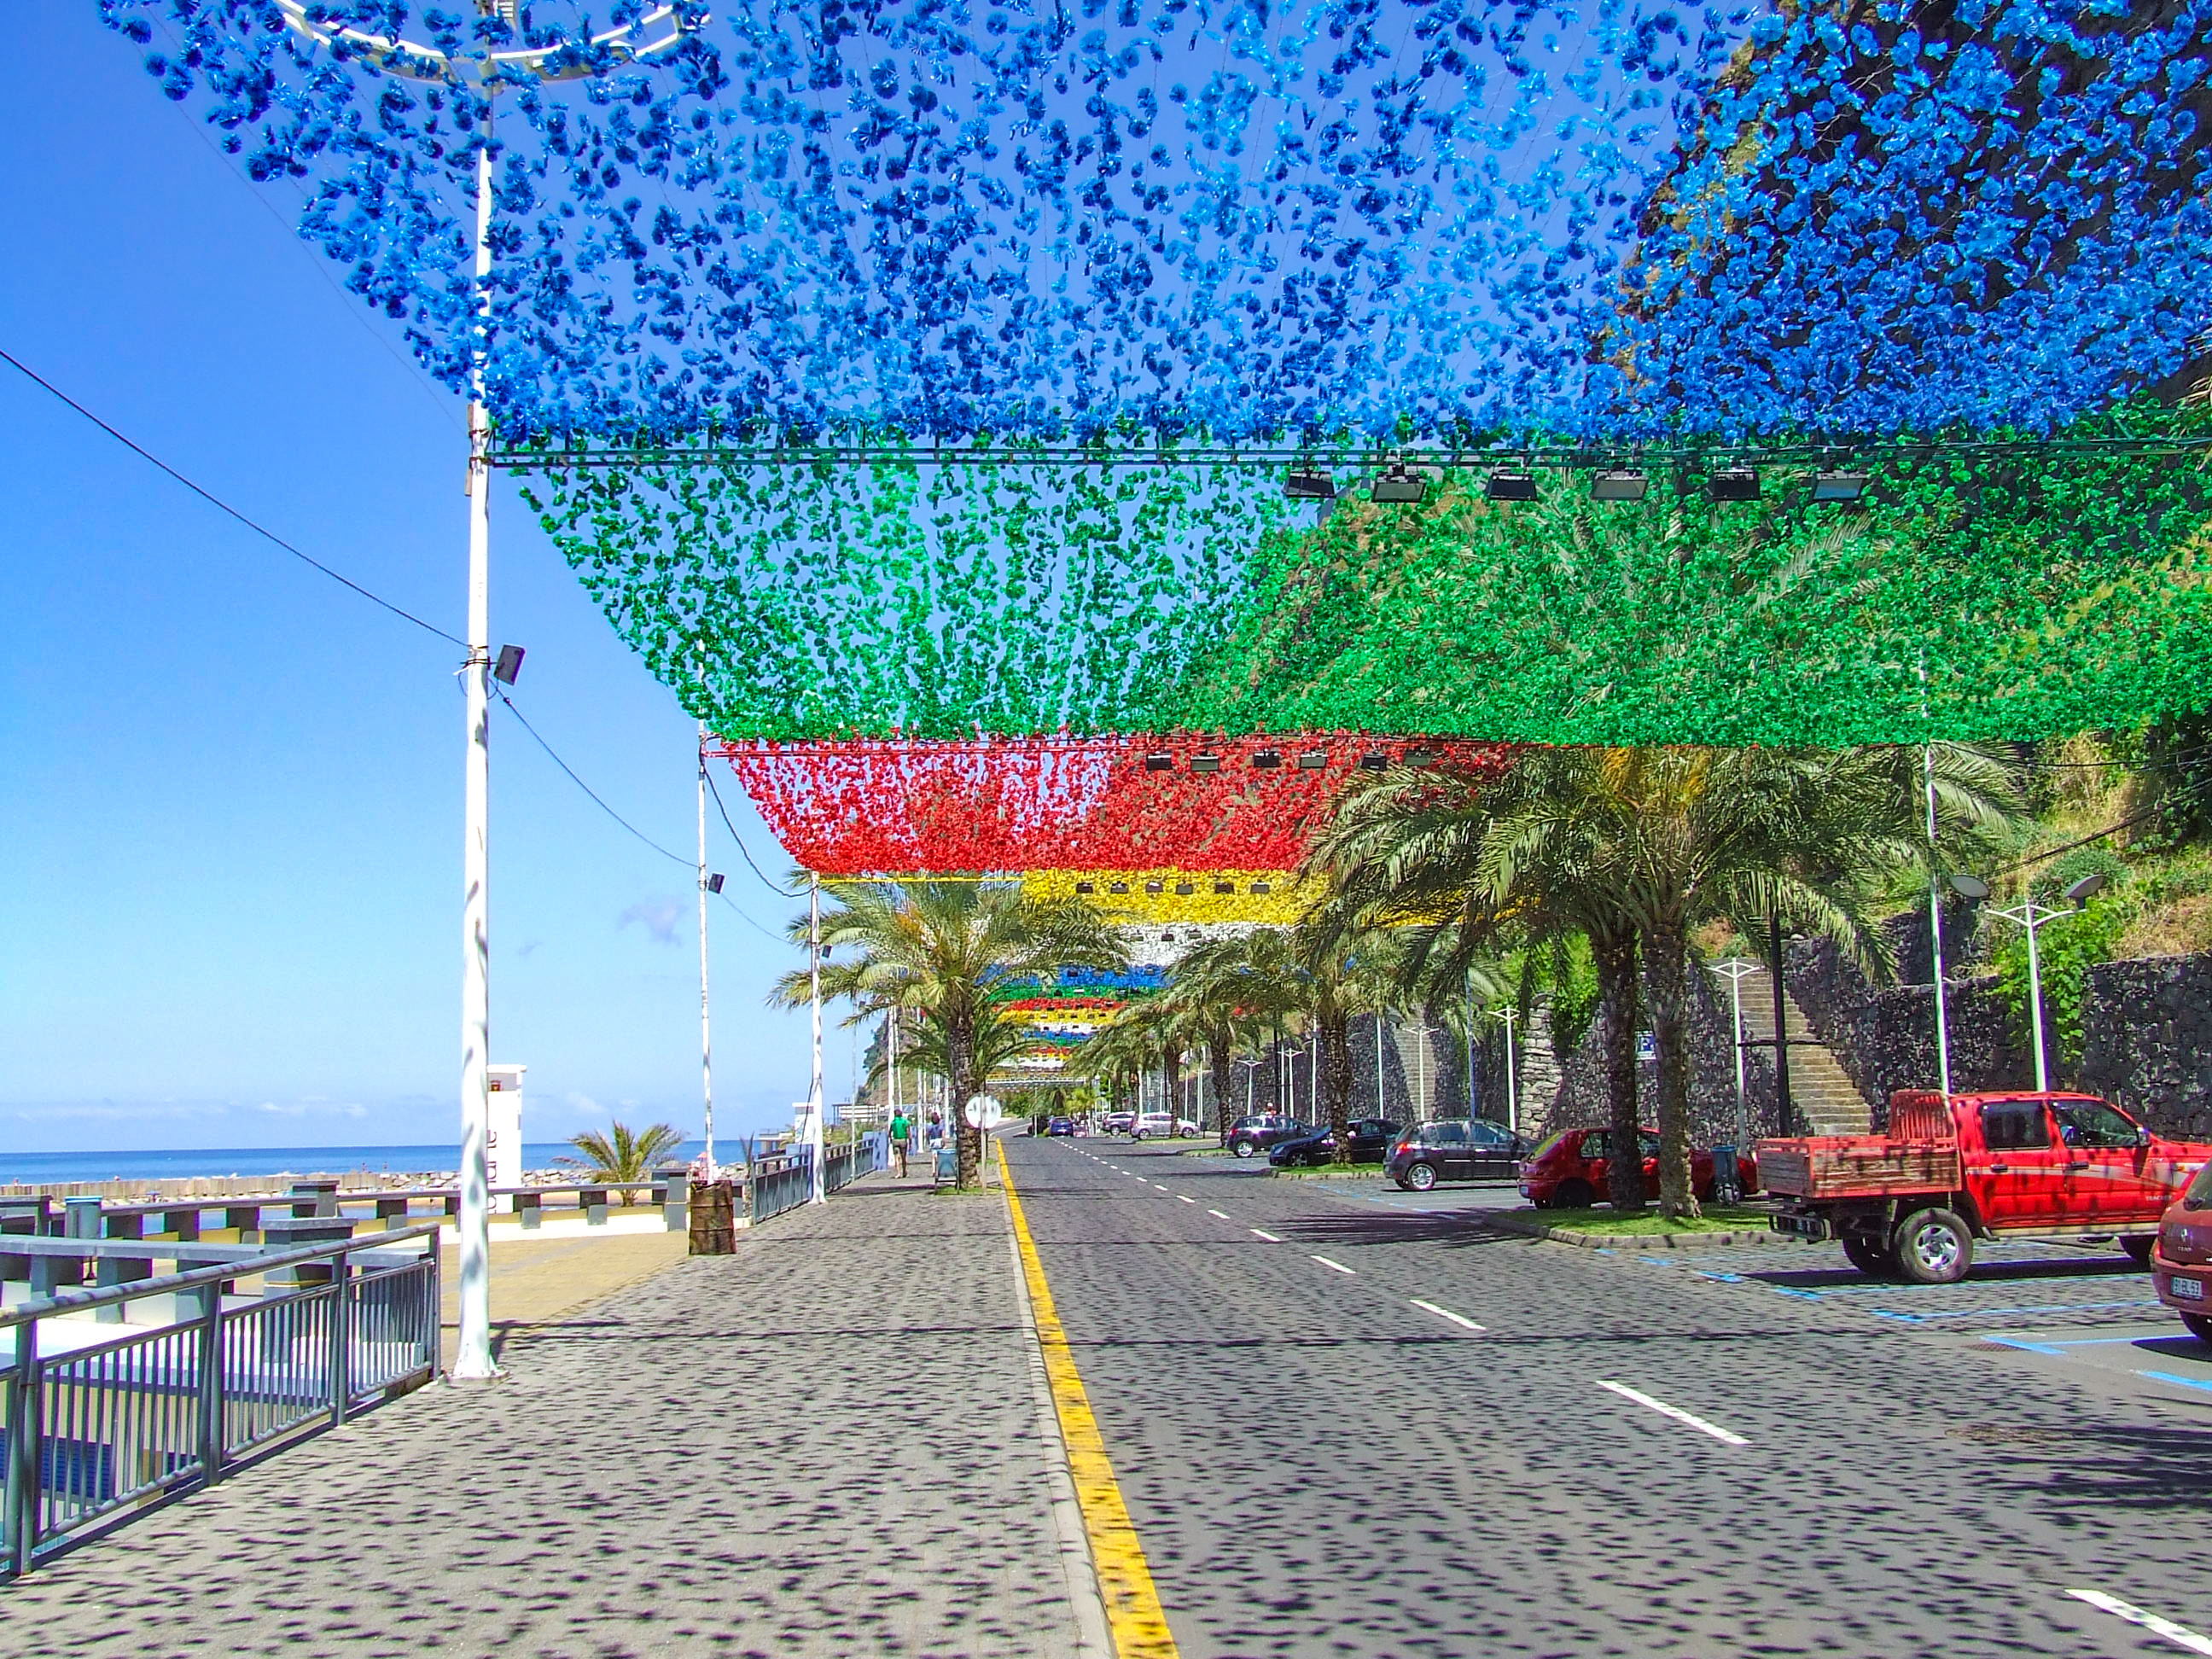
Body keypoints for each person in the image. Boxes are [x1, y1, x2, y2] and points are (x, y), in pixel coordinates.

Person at [889, 1107, 911, 1177]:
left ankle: (898, 1173)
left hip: (895, 1140)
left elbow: (889, 1133)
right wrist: (910, 1141)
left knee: (897, 1157)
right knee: (903, 1157)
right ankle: (904, 1171)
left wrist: (891, 1139)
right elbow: (908, 1132)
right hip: (903, 1140)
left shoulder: (893, 1123)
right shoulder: (905, 1122)